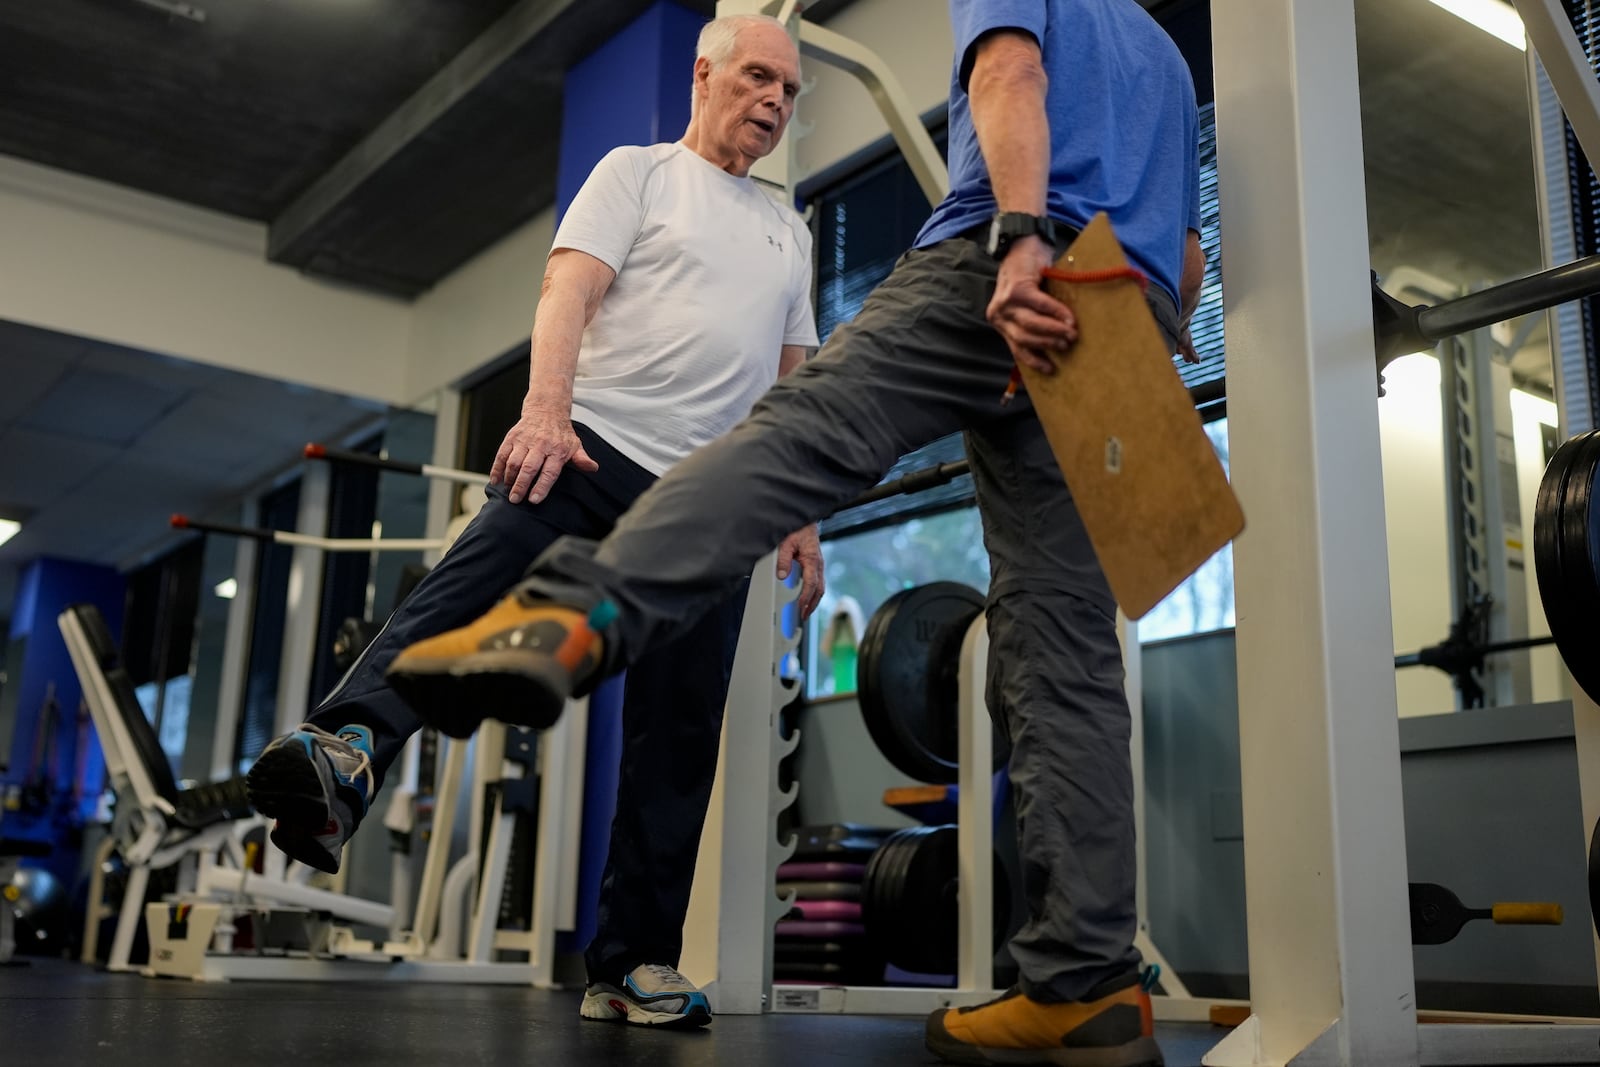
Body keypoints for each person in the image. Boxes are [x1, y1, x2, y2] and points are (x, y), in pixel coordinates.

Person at [389, 1, 1203, 1064]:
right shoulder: (1167, 60)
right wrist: (1132, 339)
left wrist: (1017, 238)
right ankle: (1084, 982)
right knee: (1065, 646)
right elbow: (1187, 259)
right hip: (1124, 315)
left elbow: (1007, 80)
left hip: (1010, 261)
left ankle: (571, 613)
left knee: (798, 434)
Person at [243, 12, 823, 1030]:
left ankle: (631, 961)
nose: (776, 102)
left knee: (677, 735)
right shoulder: (637, 174)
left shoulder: (790, 230)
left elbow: (793, 381)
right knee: (460, 598)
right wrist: (544, 408)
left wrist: (800, 516)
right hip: (591, 447)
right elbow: (568, 287)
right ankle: (341, 750)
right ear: (706, 74)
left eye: (791, 91)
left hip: (715, 501)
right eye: (762, 79)